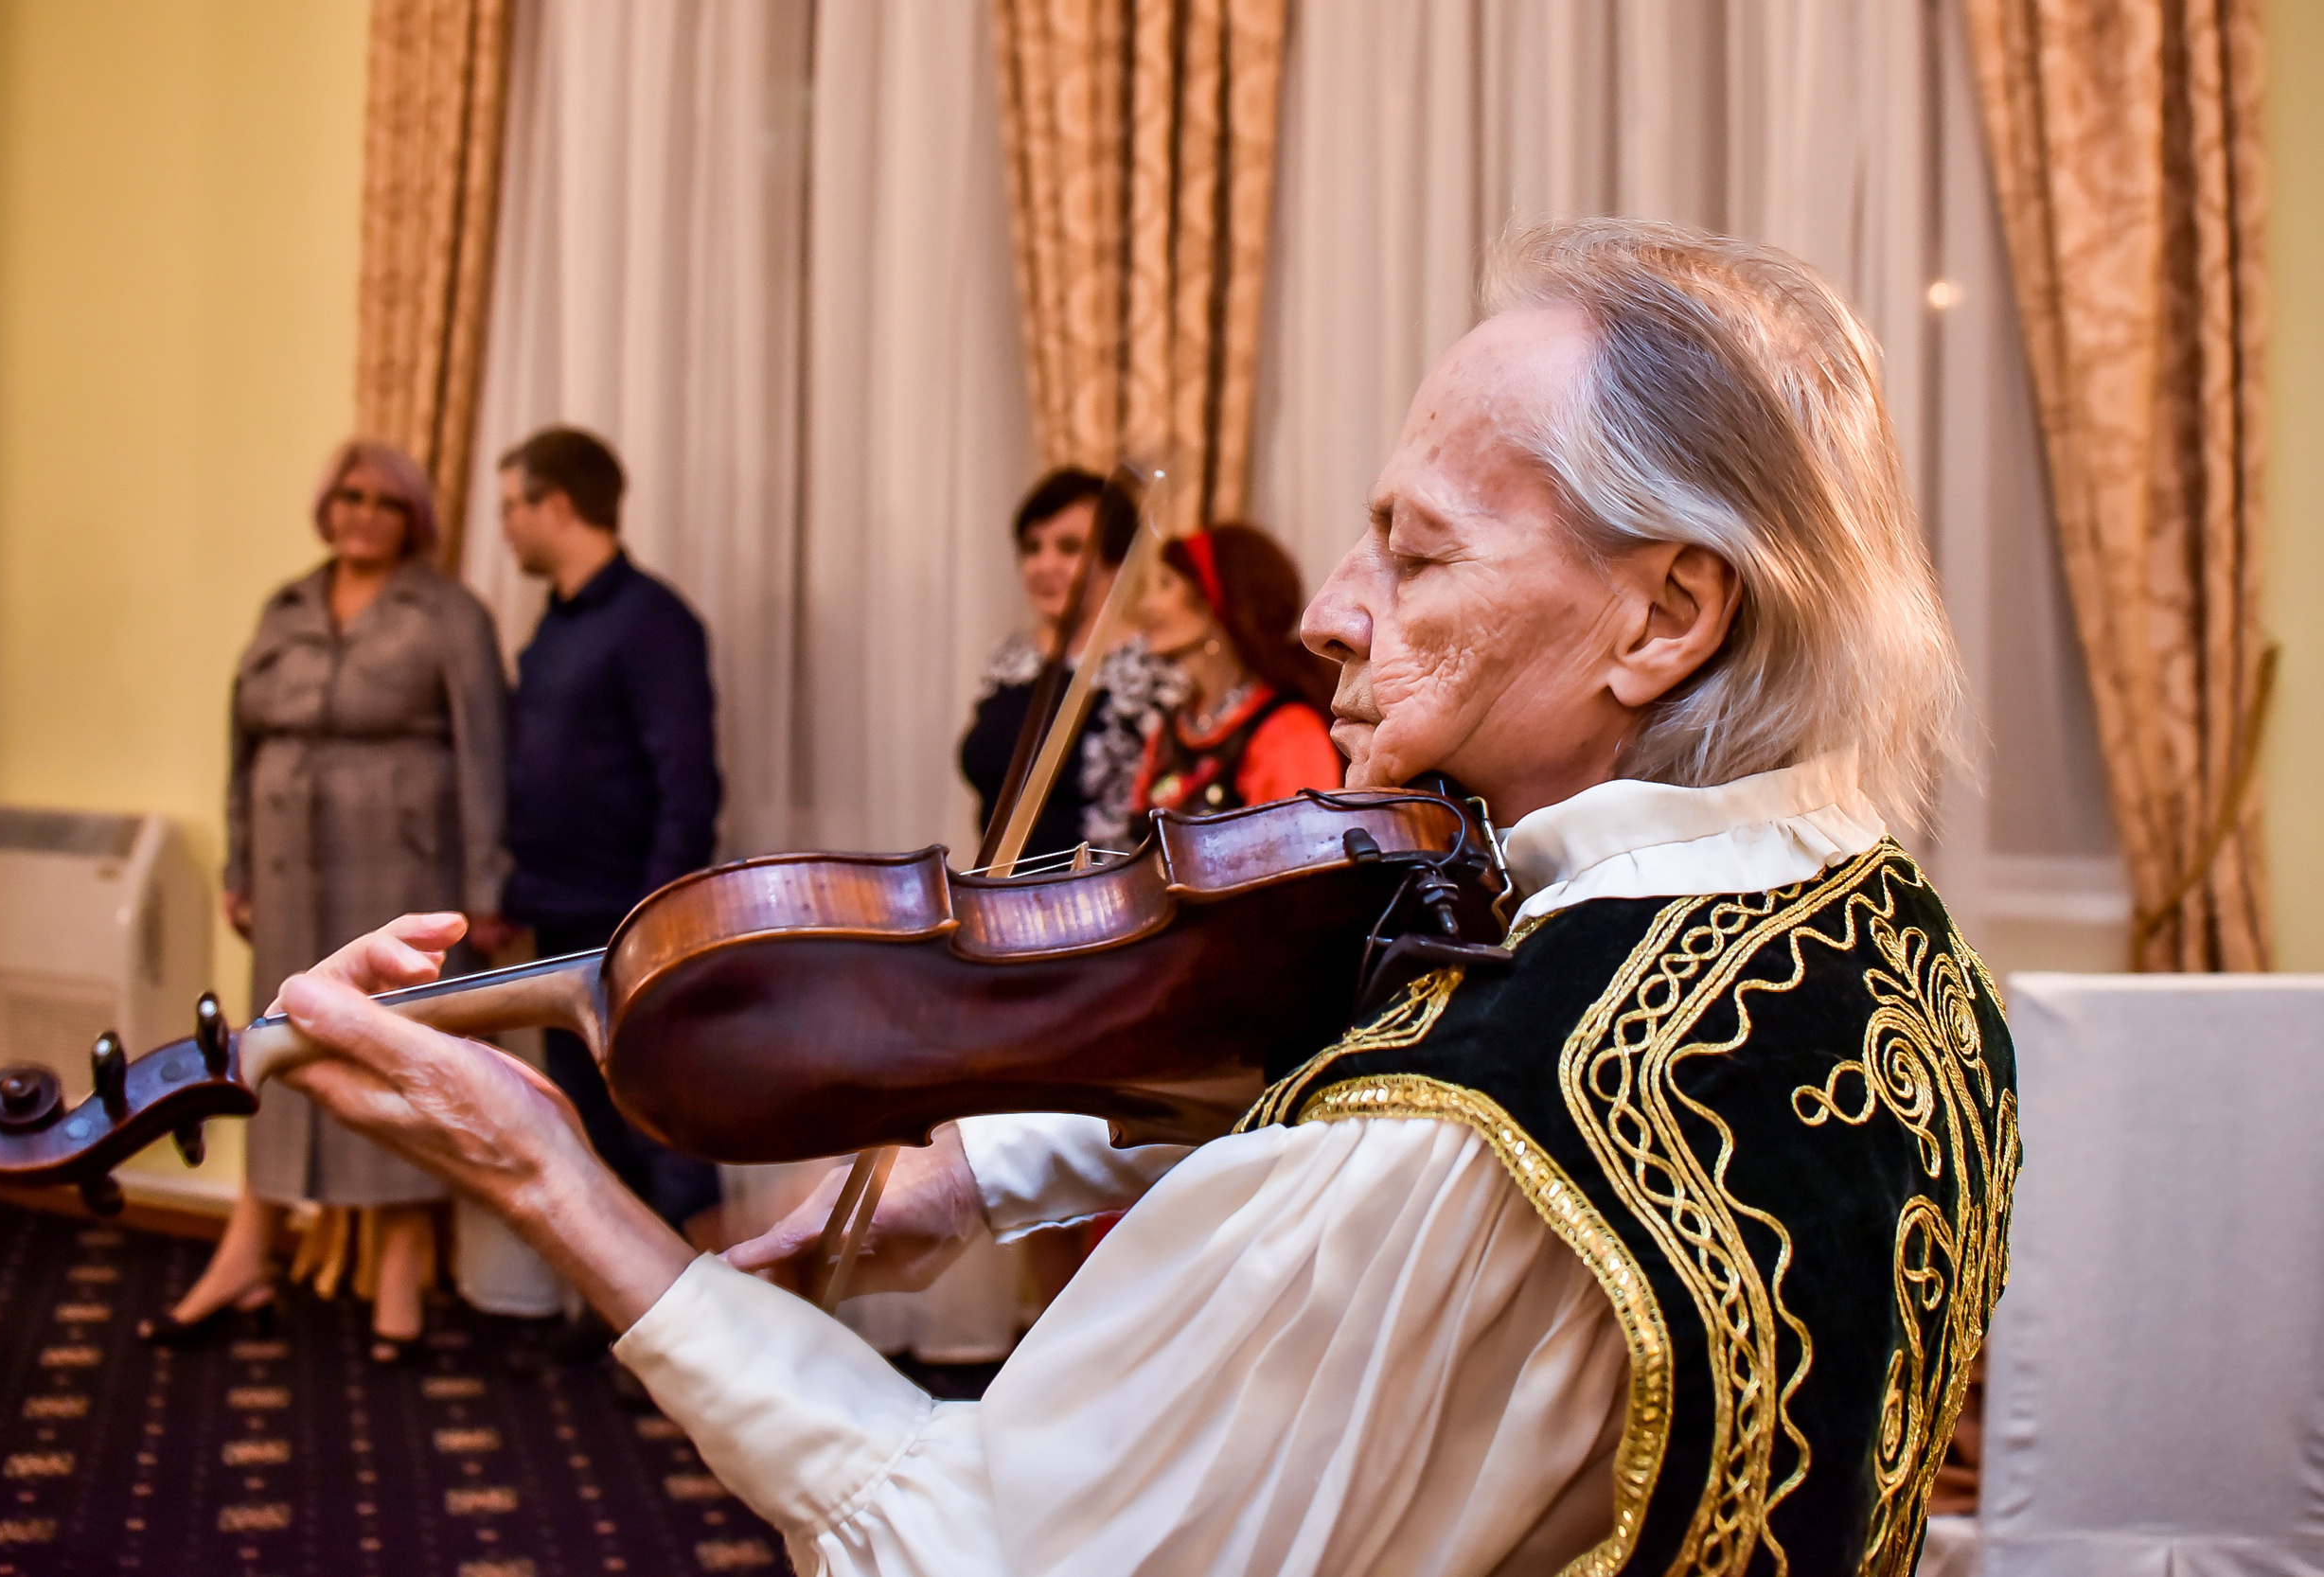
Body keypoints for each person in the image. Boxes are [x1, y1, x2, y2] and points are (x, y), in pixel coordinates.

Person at [272, 219, 2016, 1574]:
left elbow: (973, 1542)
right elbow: (1352, 1039)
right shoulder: (1886, 950)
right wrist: (991, 1165)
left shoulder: (1465, 1144)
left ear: (1664, 616)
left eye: (1418, 555)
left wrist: (551, 1181)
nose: (1332, 610)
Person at [140, 439, 508, 1363]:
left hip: (404, 873)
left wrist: (488, 889)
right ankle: (247, 1255)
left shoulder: (451, 612)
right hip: (291, 872)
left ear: (413, 519)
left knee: (397, 1058)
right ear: (325, 505)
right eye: (347, 495)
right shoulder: (286, 607)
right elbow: (241, 748)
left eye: (385, 501)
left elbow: (488, 760)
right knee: (278, 1050)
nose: (361, 512)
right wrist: (239, 865)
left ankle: (399, 1278)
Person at [495, 426, 725, 1242]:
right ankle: (639, 1320)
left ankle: (723, 1338)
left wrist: (652, 921)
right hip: (561, 918)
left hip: (630, 922)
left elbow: (687, 788)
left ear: (558, 504)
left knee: (666, 1130)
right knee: (587, 1125)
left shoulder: (652, 621)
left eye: (513, 506)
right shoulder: (554, 629)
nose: (506, 526)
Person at [960, 468, 1185, 858]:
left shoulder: (1153, 671)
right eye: (1032, 548)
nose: (1044, 565)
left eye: (1069, 547)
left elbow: (1167, 802)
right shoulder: (1009, 659)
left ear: (1116, 563)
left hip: (1101, 900)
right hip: (998, 897)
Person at [1126, 522, 1343, 836]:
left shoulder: (1288, 732)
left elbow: (1298, 858)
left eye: (1166, 584)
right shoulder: (1171, 731)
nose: (1146, 605)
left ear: (1216, 598)